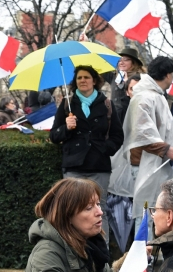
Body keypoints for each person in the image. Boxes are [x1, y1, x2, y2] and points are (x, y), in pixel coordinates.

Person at [50, 65, 124, 243]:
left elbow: (117, 136)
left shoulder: (106, 103)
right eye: (79, 78)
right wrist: (66, 127)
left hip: (99, 166)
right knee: (72, 209)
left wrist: (104, 148)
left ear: (94, 80)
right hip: (74, 166)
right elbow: (54, 135)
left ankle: (101, 253)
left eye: (86, 77)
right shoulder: (68, 104)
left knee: (99, 209)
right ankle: (73, 249)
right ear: (75, 82)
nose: (83, 80)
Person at [123, 57, 173, 227]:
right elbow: (142, 133)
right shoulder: (145, 97)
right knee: (147, 214)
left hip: (157, 164)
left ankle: (153, 251)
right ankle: (144, 252)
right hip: (145, 165)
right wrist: (166, 149)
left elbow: (163, 130)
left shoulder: (157, 96)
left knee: (157, 213)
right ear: (167, 75)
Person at [111, 47, 145, 125]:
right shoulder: (114, 76)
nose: (121, 62)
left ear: (133, 63)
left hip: (130, 119)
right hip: (114, 119)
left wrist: (128, 83)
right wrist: (86, 42)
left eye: (126, 60)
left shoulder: (139, 78)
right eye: (119, 60)